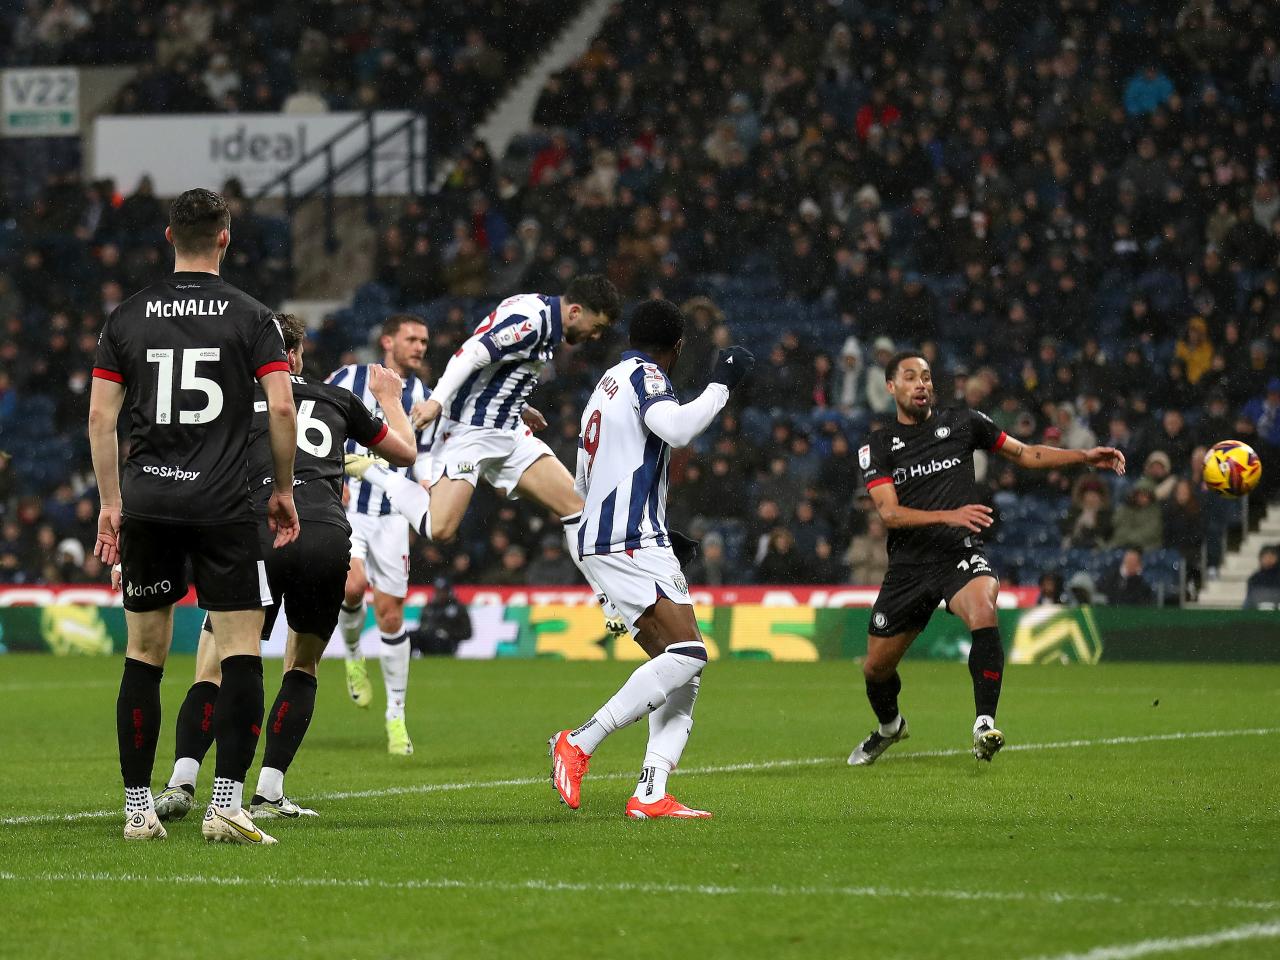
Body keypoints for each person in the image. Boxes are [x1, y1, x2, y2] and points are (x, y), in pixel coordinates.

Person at [88, 188, 300, 844]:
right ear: (226, 238)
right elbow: (285, 409)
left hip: (150, 502)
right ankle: (226, 806)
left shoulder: (126, 316)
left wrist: (111, 503)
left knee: (144, 655)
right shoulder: (252, 316)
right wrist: (285, 489)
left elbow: (100, 416)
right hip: (225, 505)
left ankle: (135, 811)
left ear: (167, 236)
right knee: (239, 651)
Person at [147, 314, 416, 823]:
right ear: (295, 354)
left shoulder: (226, 399)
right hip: (325, 536)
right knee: (302, 665)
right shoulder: (336, 398)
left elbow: (192, 474)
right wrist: (390, 398)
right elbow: (404, 453)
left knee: (218, 664)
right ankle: (269, 793)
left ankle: (183, 781)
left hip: (255, 532)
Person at [849, 351, 1124, 767]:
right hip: (909, 566)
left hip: (959, 553)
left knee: (982, 607)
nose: (921, 383)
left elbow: (1026, 454)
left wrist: (1083, 458)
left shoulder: (964, 422)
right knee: (875, 670)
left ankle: (983, 724)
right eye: (910, 377)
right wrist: (950, 514)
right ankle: (890, 728)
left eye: (926, 376)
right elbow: (888, 513)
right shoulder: (878, 446)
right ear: (891, 387)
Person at [547, 299, 754, 819]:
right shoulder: (646, 378)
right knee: (689, 655)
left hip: (609, 538)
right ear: (677, 346)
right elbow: (678, 430)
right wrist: (722, 382)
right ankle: (578, 742)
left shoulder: (605, 385)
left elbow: (581, 482)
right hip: (631, 540)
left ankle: (650, 792)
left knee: (685, 666)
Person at [345, 276, 626, 633]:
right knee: (440, 530)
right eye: (595, 326)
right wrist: (435, 401)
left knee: (577, 507)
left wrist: (518, 405)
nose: (595, 336)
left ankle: (607, 599)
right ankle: (375, 472)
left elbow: (501, 369)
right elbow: (473, 353)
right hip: (470, 433)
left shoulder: (547, 321)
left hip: (509, 431)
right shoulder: (533, 321)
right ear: (575, 311)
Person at [324, 313, 438, 756]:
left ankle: (396, 717)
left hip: (391, 514)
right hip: (348, 505)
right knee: (352, 586)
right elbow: (320, 420)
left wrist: (426, 485)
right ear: (387, 341)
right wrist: (331, 471)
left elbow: (424, 453)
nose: (420, 346)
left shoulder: (424, 396)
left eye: (425, 340)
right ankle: (352, 653)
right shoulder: (348, 376)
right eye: (412, 338)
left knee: (391, 615)